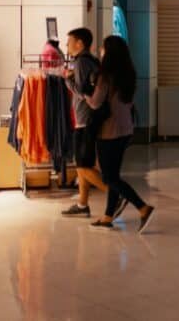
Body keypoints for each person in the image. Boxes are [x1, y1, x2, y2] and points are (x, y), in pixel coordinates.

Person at [87, 36, 155, 233]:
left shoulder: (105, 76)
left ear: (109, 53)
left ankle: (142, 207)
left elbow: (95, 102)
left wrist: (83, 93)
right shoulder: (128, 74)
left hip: (109, 130)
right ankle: (108, 216)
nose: (100, 50)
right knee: (113, 173)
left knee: (109, 178)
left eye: (103, 48)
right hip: (126, 129)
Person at [61, 27, 113, 218]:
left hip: (85, 119)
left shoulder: (81, 63)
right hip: (89, 118)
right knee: (83, 163)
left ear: (79, 43)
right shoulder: (91, 61)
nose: (67, 46)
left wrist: (67, 80)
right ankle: (83, 204)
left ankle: (114, 193)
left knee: (82, 165)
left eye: (69, 42)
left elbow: (82, 92)